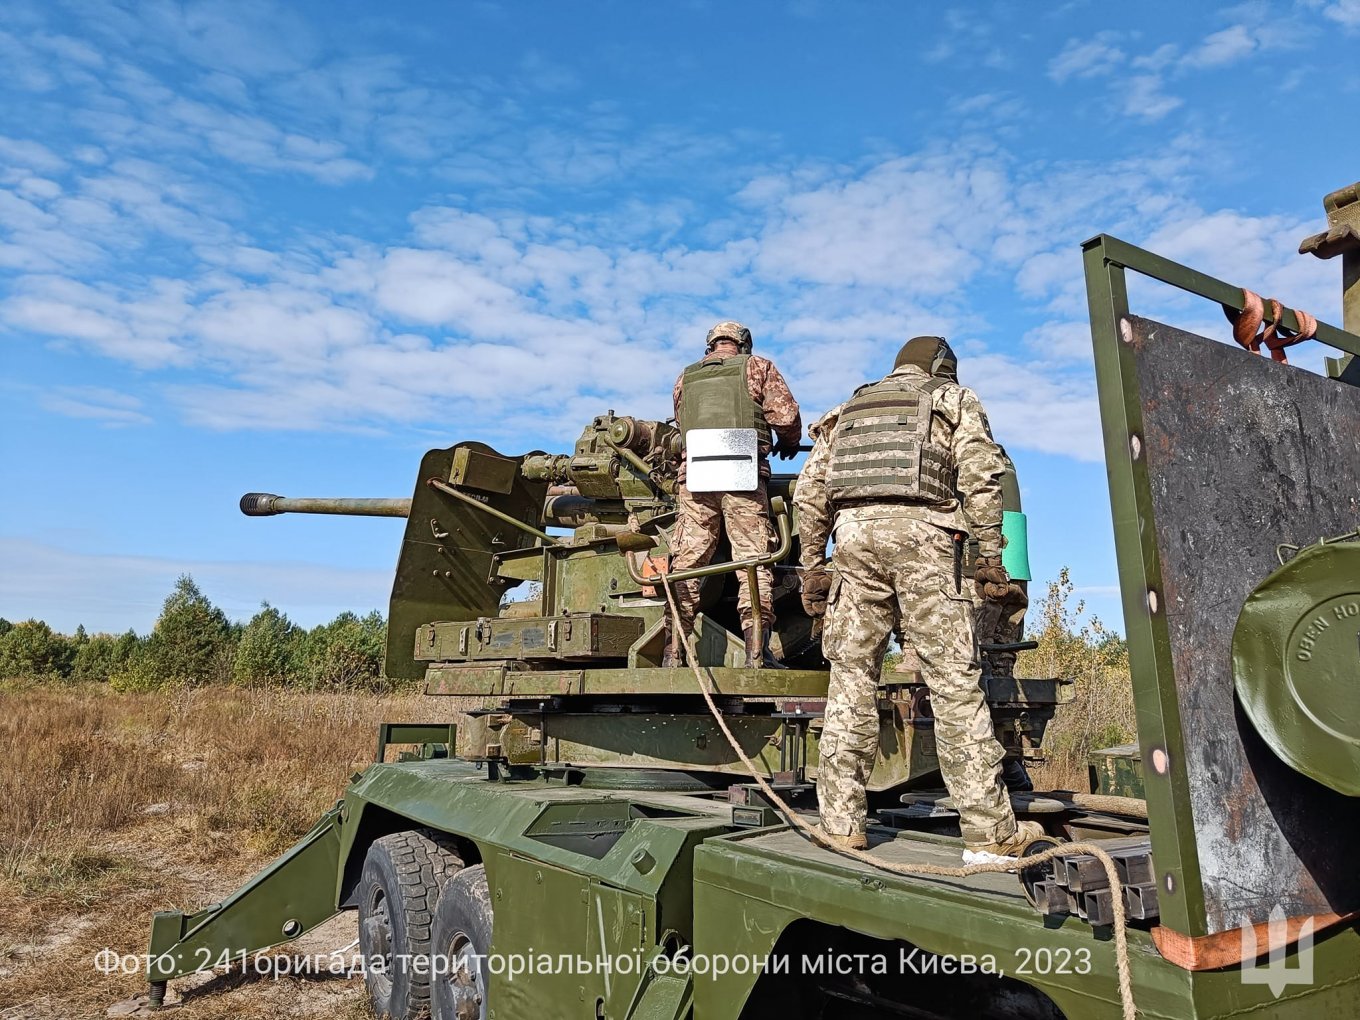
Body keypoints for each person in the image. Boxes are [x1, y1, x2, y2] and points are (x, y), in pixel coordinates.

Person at [794, 335, 1041, 862]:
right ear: (943, 368)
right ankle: (989, 834)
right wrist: (991, 560)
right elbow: (981, 478)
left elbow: (810, 493)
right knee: (954, 683)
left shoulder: (847, 409)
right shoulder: (952, 399)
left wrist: (815, 565)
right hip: (926, 540)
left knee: (851, 681)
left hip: (854, 541)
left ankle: (840, 825)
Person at [669, 321, 802, 668]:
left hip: (696, 476)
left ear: (710, 346)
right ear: (743, 344)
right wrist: (788, 443)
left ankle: (674, 651)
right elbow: (785, 416)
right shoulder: (757, 366)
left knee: (687, 562)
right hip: (742, 473)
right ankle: (756, 652)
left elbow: (681, 423)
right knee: (753, 561)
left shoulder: (686, 376)